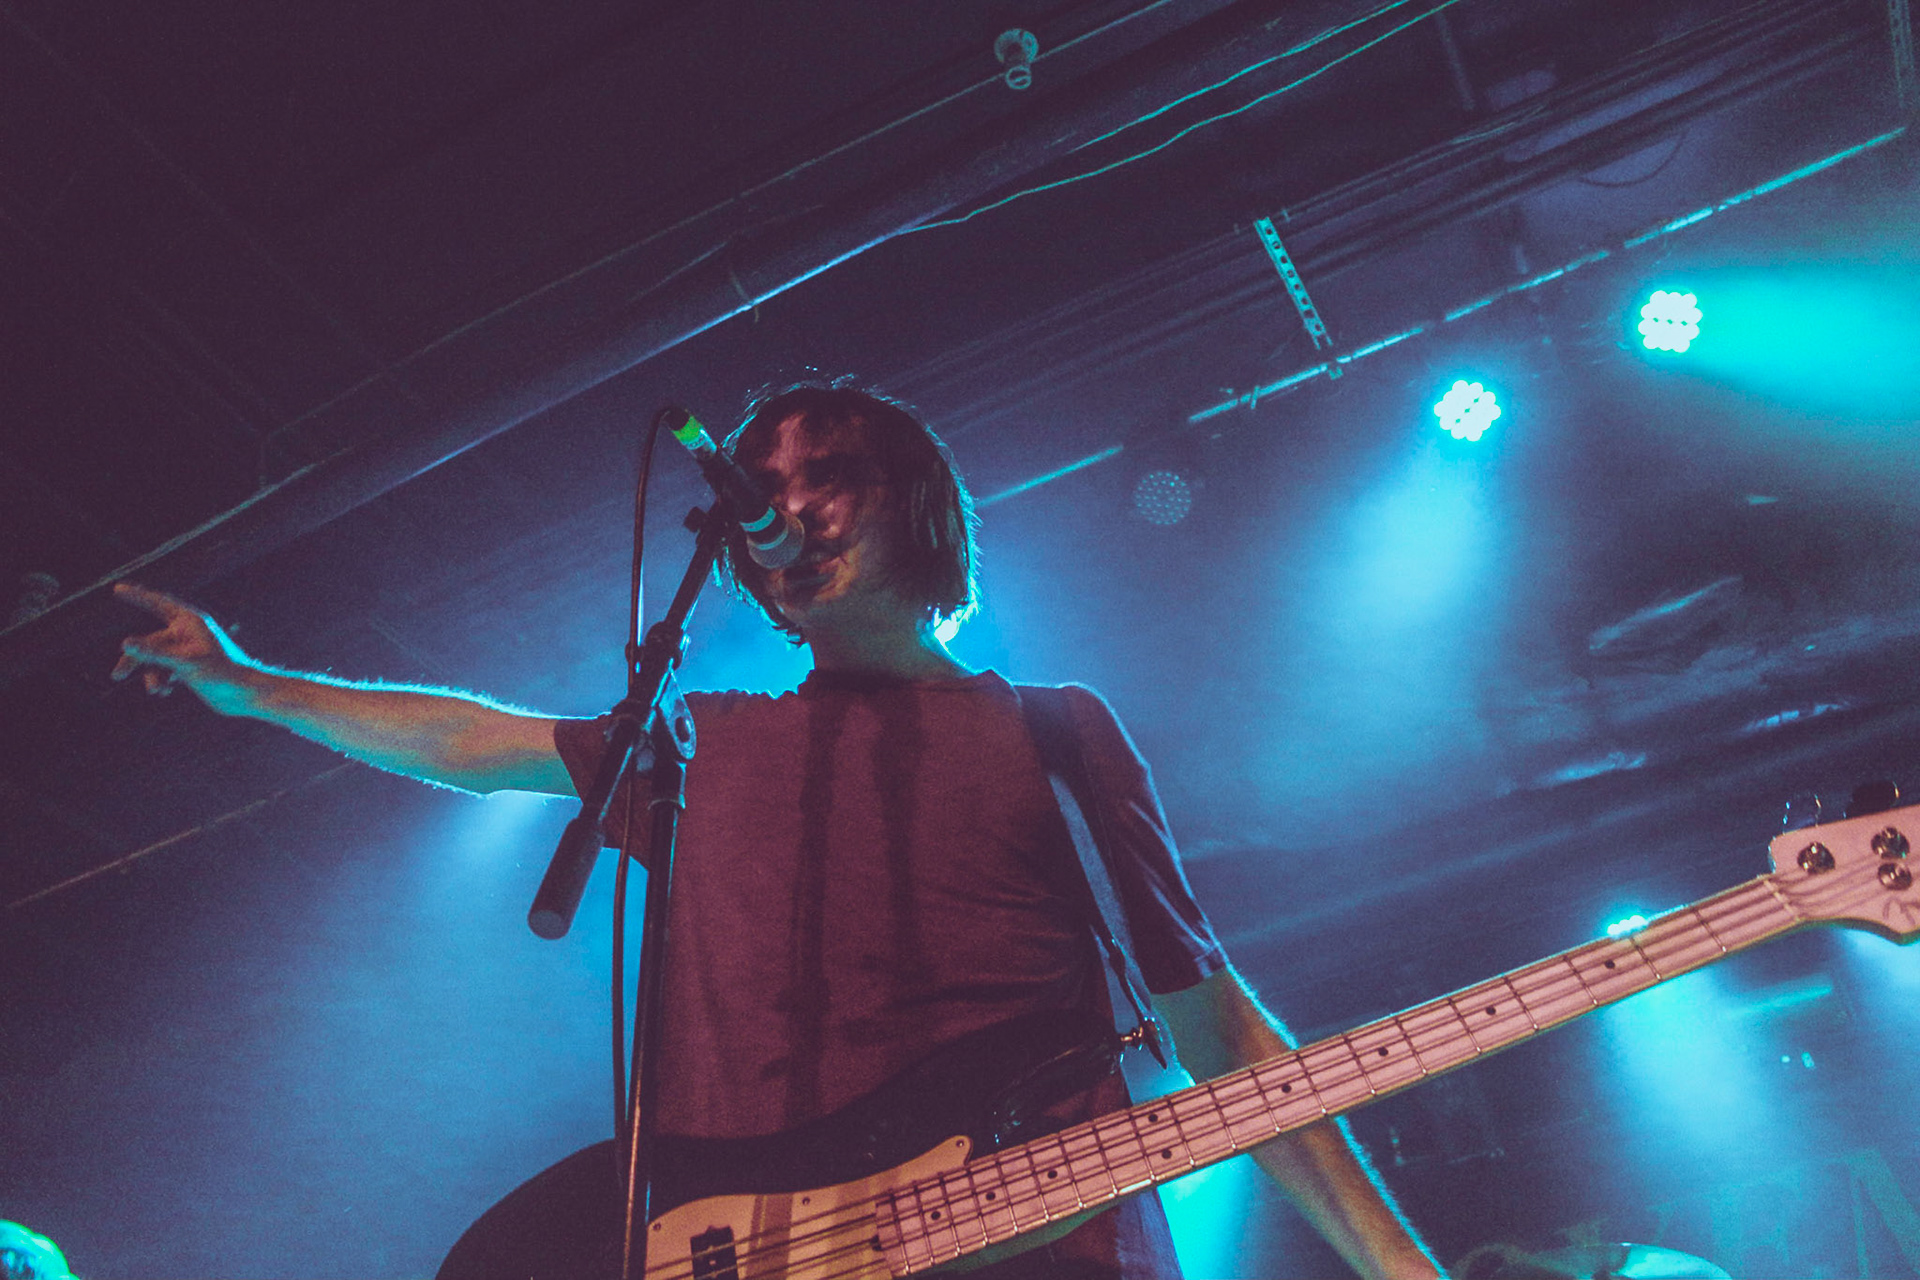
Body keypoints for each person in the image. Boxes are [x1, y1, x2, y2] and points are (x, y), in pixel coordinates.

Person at [114, 383, 1443, 1279]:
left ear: (914, 504)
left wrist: (1405, 1271)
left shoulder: (1053, 730)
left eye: (829, 477)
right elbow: (473, 743)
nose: (788, 509)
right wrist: (251, 683)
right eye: (761, 491)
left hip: (1033, 1247)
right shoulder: (702, 742)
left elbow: (1222, 1039)